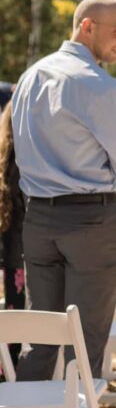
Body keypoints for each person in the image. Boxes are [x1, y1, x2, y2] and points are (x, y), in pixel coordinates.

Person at [8, 0, 116, 408]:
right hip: (90, 219)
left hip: (37, 219)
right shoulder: (100, 88)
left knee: (39, 337)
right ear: (87, 27)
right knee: (87, 338)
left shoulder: (29, 77)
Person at [0, 102, 27, 364]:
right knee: (19, 314)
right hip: (22, 249)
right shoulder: (23, 159)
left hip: (10, 248)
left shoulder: (5, 153)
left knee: (12, 308)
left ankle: (7, 367)